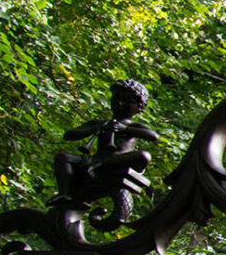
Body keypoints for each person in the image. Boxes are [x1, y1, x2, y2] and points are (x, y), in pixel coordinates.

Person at [52, 78, 157, 208]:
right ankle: (64, 193)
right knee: (63, 158)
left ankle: (101, 166)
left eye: (127, 101)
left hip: (118, 160)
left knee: (144, 156)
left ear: (138, 107)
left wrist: (124, 128)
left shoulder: (135, 126)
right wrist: (92, 129)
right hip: (96, 158)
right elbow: (69, 135)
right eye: (116, 98)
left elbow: (153, 136)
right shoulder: (100, 123)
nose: (119, 103)